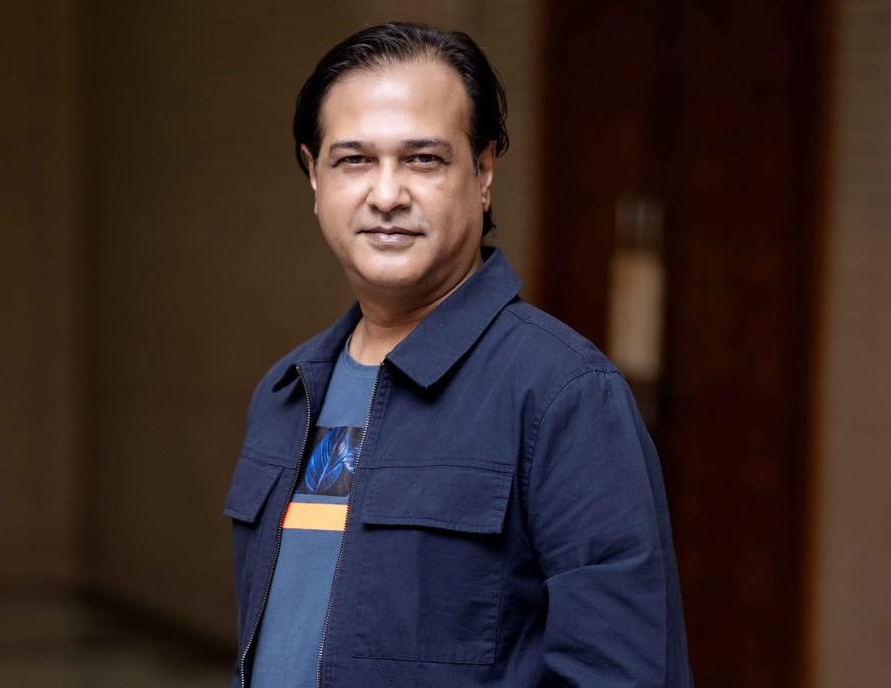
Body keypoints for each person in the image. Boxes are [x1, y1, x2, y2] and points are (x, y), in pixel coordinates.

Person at [225, 22, 693, 688]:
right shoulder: (287, 392)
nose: (387, 195)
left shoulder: (563, 395)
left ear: (484, 172)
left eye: (423, 159)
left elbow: (620, 673)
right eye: (354, 159)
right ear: (314, 176)